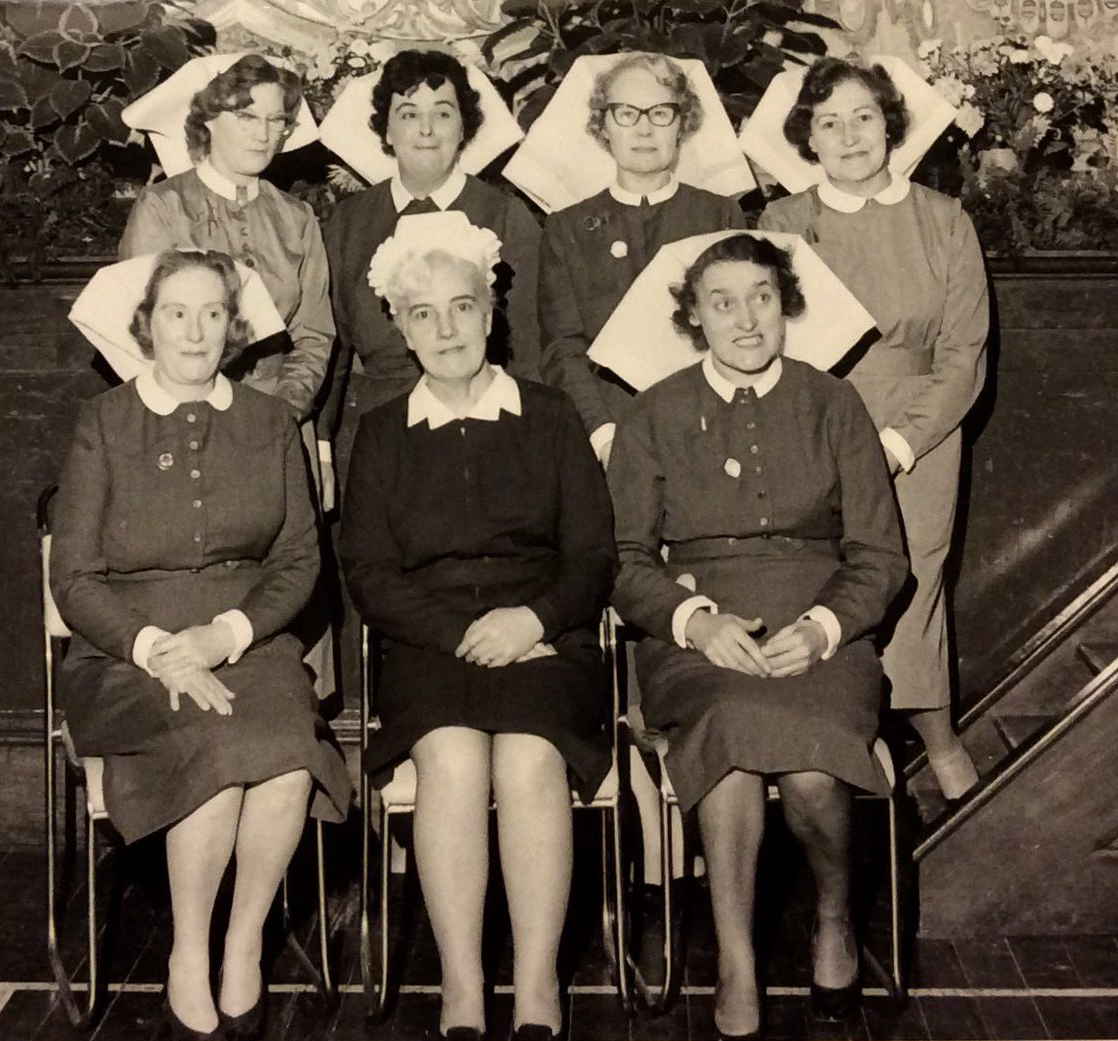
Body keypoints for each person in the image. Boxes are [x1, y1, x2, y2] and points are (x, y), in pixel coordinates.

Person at [607, 234, 908, 1037]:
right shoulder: (653, 411)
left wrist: (821, 629)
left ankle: (834, 919)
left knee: (812, 767)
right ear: (694, 317)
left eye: (763, 298)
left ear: (786, 306)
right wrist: (695, 622)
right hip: (695, 633)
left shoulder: (833, 402)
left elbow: (882, 557)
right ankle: (736, 958)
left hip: (823, 627)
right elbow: (622, 560)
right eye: (723, 301)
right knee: (730, 745)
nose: (746, 319)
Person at [51, 250, 351, 1040]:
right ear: (146, 324)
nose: (194, 330)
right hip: (127, 652)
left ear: (235, 327)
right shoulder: (105, 423)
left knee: (288, 752)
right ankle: (189, 948)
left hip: (247, 637)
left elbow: (298, 559)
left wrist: (227, 633)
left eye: (212, 313)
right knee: (214, 755)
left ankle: (242, 940)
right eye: (176, 313)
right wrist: (158, 647)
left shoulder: (269, 422)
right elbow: (74, 577)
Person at [339, 213, 615, 1041]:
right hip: (430, 644)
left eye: (461, 306)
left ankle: (536, 986)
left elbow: (594, 556)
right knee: (453, 760)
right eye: (422, 313)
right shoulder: (382, 434)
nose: (446, 328)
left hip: (544, 636)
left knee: (530, 758)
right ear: (399, 325)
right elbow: (370, 575)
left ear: (491, 311)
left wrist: (531, 617)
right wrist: (467, 631)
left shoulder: (554, 414)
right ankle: (462, 985)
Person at [758, 57, 989, 800]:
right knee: (828, 576)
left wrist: (900, 441)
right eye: (829, 122)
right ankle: (844, 736)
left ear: (890, 123)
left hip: (921, 427)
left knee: (913, 577)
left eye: (863, 117)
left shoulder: (943, 220)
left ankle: (937, 733)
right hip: (816, 422)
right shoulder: (785, 222)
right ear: (808, 138)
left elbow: (964, 354)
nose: (849, 135)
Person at [318, 48, 542, 506]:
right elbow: (332, 348)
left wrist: (528, 444)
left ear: (464, 128)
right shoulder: (351, 221)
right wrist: (322, 445)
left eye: (442, 114)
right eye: (408, 113)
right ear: (386, 129)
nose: (425, 130)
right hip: (371, 433)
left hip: (484, 425)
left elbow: (530, 350)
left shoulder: (505, 215)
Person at [539, 52, 746, 468]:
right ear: (603, 127)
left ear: (682, 124)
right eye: (627, 114)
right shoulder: (568, 228)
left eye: (661, 112)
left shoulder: (718, 215)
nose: (645, 128)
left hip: (713, 427)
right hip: (610, 429)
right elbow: (563, 348)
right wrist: (602, 433)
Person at [119, 55, 335, 429]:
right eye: (247, 117)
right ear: (209, 120)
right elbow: (137, 334)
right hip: (182, 420)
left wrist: (283, 411)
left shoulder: (297, 217)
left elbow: (314, 334)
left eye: (276, 120)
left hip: (278, 419)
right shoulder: (164, 206)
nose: (264, 135)